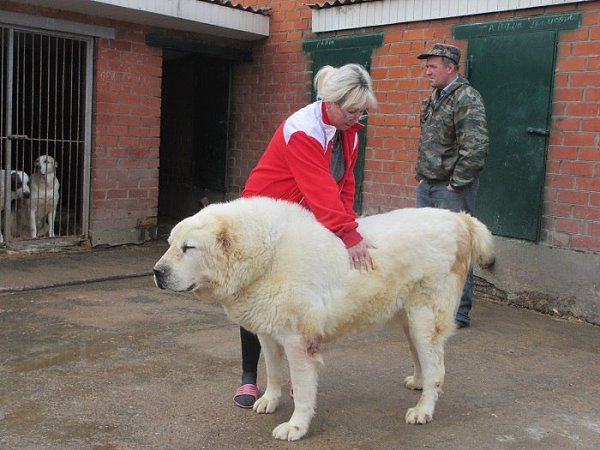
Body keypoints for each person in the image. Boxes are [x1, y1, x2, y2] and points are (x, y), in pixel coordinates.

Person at [233, 63, 378, 408]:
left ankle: (299, 376)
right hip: (263, 218)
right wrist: (348, 234)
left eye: (361, 112)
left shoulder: (351, 131)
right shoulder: (302, 129)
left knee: (302, 298)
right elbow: (319, 187)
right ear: (330, 101)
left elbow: (344, 184)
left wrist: (346, 222)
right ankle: (250, 378)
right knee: (253, 295)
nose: (356, 118)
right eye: (351, 110)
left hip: (302, 220)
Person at [415, 43, 489, 329]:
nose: (427, 71)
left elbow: (476, 145)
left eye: (433, 66)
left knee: (457, 250)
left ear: (451, 67)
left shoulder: (466, 97)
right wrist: (421, 174)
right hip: (428, 184)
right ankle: (431, 305)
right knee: (426, 246)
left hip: (451, 189)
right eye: (426, 66)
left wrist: (456, 183)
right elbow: (429, 141)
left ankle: (459, 312)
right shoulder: (435, 98)